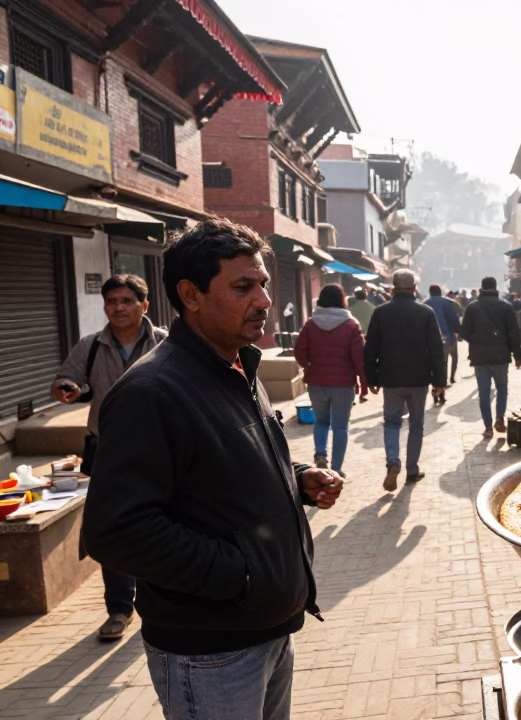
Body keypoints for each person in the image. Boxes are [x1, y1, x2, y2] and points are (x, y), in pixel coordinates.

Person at [81, 218, 344, 720]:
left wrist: (296, 477)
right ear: (191, 295)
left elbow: (221, 465)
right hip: (210, 654)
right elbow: (117, 531)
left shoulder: (237, 366)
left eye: (263, 284)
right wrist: (241, 577)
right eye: (243, 287)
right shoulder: (151, 392)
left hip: (268, 632)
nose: (263, 300)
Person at [52, 274, 167, 642]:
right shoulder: (89, 347)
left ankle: (162, 600)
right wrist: (65, 389)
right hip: (107, 448)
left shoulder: (166, 343)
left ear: (144, 306)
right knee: (114, 529)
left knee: (164, 522)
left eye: (127, 301)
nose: (119, 307)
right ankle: (119, 608)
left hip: (160, 447)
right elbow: (66, 380)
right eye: (112, 301)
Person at [364, 270, 447, 492]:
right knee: (416, 425)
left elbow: (370, 348)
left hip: (390, 379)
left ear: (392, 288)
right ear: (414, 288)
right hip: (419, 380)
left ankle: (393, 461)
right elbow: (437, 350)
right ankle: (411, 470)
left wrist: (370, 377)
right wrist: (440, 381)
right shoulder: (426, 312)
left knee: (392, 422)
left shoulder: (380, 313)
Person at [294, 284, 371, 475]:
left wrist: (309, 365)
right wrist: (364, 384)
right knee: (340, 426)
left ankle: (320, 453)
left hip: (316, 382)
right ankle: (336, 469)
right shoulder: (351, 325)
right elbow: (359, 358)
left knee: (321, 421)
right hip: (343, 384)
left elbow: (299, 352)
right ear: (342, 300)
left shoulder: (310, 324)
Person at [461, 276, 521, 438]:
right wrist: (518, 355)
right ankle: (499, 417)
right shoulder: (506, 306)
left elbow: (464, 332)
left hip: (479, 357)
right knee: (502, 388)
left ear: (482, 288)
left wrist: (477, 341)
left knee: (484, 392)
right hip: (501, 355)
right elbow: (513, 333)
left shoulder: (472, 308)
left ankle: (488, 427)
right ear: (496, 288)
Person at [424, 283, 463, 389]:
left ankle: (440, 382)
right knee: (453, 358)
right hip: (448, 336)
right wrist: (459, 333)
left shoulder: (424, 304)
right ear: (440, 292)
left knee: (440, 361)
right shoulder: (449, 303)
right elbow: (455, 319)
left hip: (431, 339)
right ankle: (449, 379)